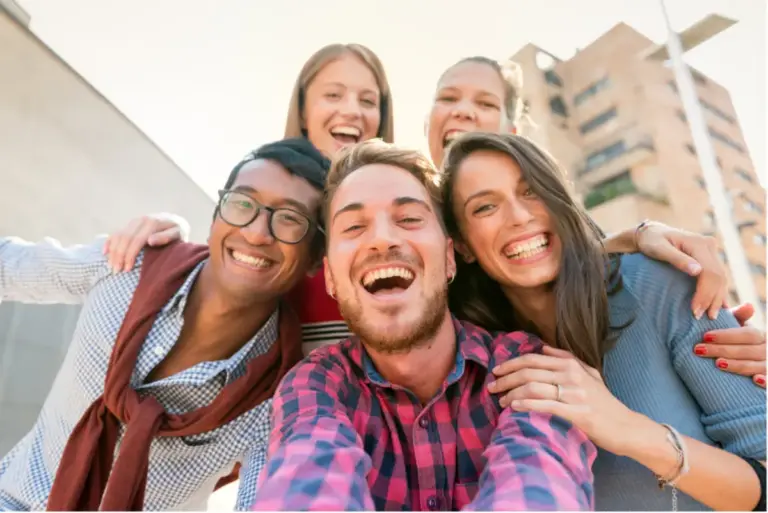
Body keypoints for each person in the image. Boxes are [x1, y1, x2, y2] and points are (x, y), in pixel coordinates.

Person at [104, 47, 766, 386]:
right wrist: (172, 227)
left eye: (484, 103)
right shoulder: (340, 221)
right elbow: (237, 253)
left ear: (513, 126)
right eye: (448, 97)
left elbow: (585, 257)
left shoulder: (520, 235)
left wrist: (649, 237)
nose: (464, 112)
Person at [252, 139, 596, 511]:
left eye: (410, 219)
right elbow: (308, 481)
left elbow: (539, 478)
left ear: (450, 258)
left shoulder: (527, 363)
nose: (382, 239)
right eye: (353, 226)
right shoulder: (315, 387)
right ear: (331, 277)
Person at [440, 131, 766, 511]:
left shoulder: (661, 286)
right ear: (460, 245)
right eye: (485, 208)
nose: (520, 216)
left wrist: (626, 428)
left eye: (531, 192)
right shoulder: (472, 358)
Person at [0, 138, 329, 511]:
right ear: (215, 217)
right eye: (242, 204)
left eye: (289, 219)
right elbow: (8, 265)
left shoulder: (274, 394)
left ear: (316, 260)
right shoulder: (128, 266)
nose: (256, 233)